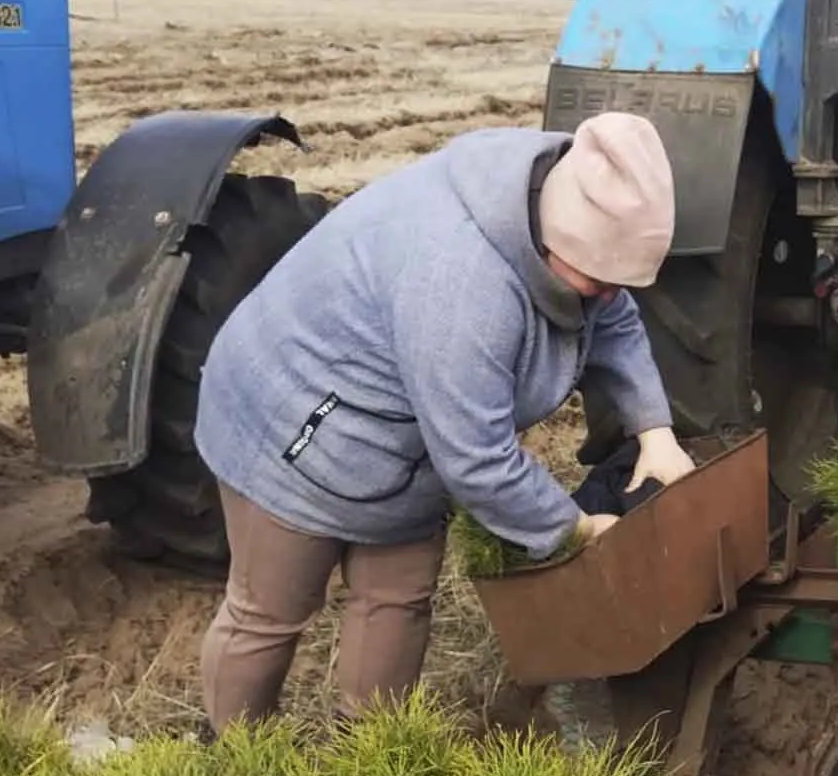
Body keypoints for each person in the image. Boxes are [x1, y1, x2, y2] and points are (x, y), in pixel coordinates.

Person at [191, 112, 696, 736]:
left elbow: (611, 316)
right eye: (598, 278)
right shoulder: (461, 283)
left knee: (399, 596)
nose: (607, 293)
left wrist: (655, 433)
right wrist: (573, 528)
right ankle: (234, 754)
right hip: (291, 422)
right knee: (272, 609)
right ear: (557, 239)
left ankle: (370, 754)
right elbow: (477, 460)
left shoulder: (563, 201)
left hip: (404, 442)